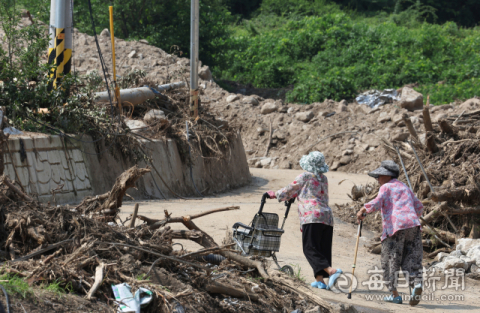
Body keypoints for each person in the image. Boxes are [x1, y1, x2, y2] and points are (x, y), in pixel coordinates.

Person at [266, 151, 342, 290]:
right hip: (326, 216)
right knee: (321, 248)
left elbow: (290, 190)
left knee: (309, 248)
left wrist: (275, 194)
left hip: (312, 215)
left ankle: (331, 271)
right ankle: (320, 280)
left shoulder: (305, 176)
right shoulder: (323, 178)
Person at [356, 160, 424, 306]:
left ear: (387, 176)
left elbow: (377, 202)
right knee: (412, 258)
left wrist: (363, 210)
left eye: (379, 176)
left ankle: (395, 295)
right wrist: (409, 216)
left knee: (390, 260)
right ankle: (417, 285)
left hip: (395, 227)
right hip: (413, 225)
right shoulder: (405, 187)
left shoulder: (386, 187)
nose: (378, 179)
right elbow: (419, 207)